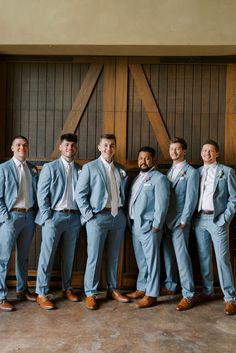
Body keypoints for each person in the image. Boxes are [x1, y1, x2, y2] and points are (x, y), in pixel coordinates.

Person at [75, 133, 130, 310]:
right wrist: (90, 216)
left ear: (115, 148)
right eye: (105, 145)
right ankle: (90, 293)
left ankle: (112, 288)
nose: (108, 149)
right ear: (99, 147)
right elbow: (79, 194)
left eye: (112, 145)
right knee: (94, 256)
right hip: (97, 217)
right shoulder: (90, 168)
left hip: (118, 217)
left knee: (114, 256)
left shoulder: (121, 169)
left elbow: (124, 193)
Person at [35, 133, 81, 310]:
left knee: (69, 256)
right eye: (67, 145)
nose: (70, 148)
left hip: (74, 218)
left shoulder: (80, 169)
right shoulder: (50, 167)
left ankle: (66, 288)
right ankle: (41, 293)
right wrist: (48, 217)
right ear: (61, 147)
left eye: (73, 145)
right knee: (47, 257)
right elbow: (42, 194)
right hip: (54, 217)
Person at [194, 139, 236, 315]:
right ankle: (208, 291)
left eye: (211, 151)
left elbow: (234, 198)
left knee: (222, 259)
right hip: (199, 220)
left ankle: (230, 298)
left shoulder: (226, 172)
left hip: (217, 219)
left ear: (217, 153)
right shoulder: (196, 173)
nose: (207, 154)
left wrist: (225, 218)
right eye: (204, 151)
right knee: (204, 257)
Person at [127, 146, 170, 308]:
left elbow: (162, 204)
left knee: (152, 261)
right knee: (141, 261)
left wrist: (156, 226)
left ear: (153, 160)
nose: (143, 161)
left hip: (150, 228)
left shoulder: (159, 179)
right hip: (135, 226)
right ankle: (142, 287)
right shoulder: (137, 178)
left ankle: (152, 294)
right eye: (140, 158)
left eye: (147, 158)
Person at [0, 136, 38, 312]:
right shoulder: (3, 169)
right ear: (12, 148)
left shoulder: (32, 169)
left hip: (28, 217)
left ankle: (22, 290)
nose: (22, 148)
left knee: (24, 257)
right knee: (3, 258)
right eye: (18, 145)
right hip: (11, 217)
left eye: (24, 145)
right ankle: (1, 296)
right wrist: (5, 217)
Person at [162, 137, 199, 311]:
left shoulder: (191, 172)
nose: (174, 152)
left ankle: (188, 294)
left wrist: (185, 220)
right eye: (172, 149)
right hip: (166, 221)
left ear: (184, 151)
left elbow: (191, 199)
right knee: (168, 255)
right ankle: (171, 285)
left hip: (179, 222)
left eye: (177, 149)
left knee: (182, 258)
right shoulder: (170, 171)